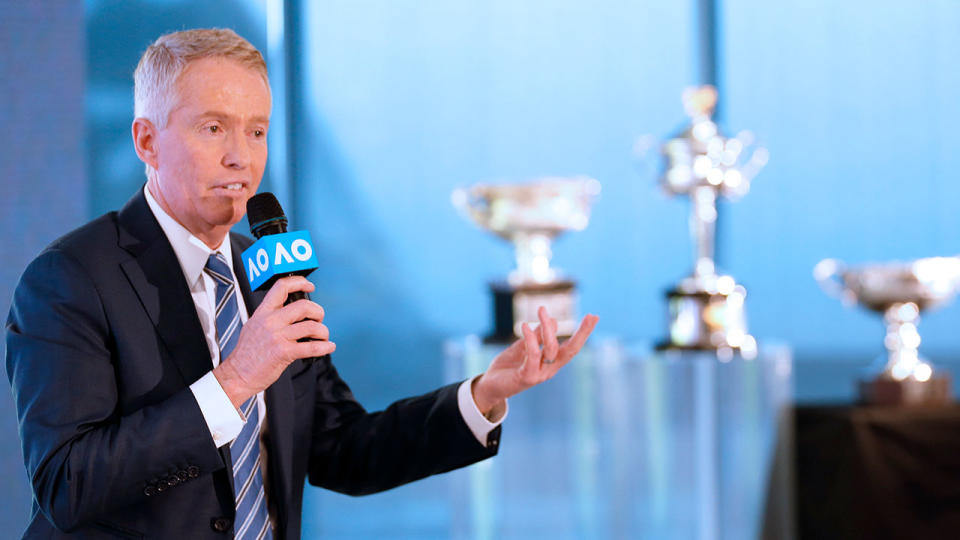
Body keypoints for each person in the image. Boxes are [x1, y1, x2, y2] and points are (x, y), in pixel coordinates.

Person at [5, 28, 598, 539]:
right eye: (213, 128)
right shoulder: (69, 280)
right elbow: (67, 483)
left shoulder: (264, 271)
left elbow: (345, 450)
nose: (241, 157)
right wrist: (237, 379)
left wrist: (486, 393)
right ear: (146, 141)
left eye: (257, 132)